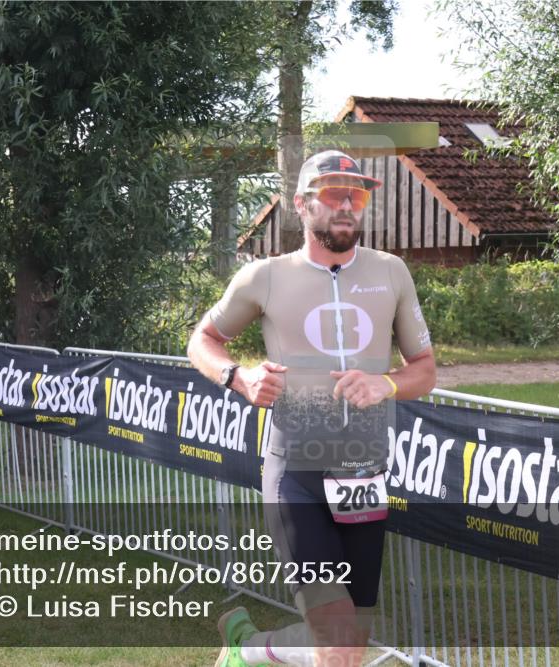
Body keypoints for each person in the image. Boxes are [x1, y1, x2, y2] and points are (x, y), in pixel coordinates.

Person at [187, 149, 436, 667]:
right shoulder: (266, 277)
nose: (347, 205)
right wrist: (239, 376)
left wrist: (385, 385)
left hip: (363, 475)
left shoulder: (390, 273)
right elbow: (203, 340)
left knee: (349, 642)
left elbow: (424, 370)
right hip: (296, 476)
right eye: (333, 193)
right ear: (301, 205)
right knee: (338, 645)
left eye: (357, 194)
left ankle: (248, 650)